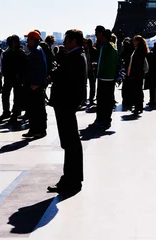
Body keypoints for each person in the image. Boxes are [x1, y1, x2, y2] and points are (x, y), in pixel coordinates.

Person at [48, 29, 87, 195]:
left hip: (65, 102)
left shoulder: (74, 57)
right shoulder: (78, 56)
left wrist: (58, 65)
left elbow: (61, 77)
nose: (63, 42)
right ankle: (72, 178)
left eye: (66, 39)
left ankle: (71, 179)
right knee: (71, 142)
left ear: (73, 41)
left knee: (70, 142)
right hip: (68, 102)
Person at [22, 30, 48, 139]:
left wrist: (37, 83)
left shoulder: (37, 51)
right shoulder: (35, 51)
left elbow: (41, 69)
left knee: (37, 109)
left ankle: (40, 130)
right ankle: (33, 129)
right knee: (32, 109)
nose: (27, 41)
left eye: (28, 39)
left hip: (35, 85)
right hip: (32, 84)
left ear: (33, 39)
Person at [93, 29, 118, 129]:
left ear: (103, 36)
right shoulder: (113, 46)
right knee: (108, 100)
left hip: (103, 77)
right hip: (111, 77)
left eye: (99, 35)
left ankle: (102, 119)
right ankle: (106, 120)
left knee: (101, 100)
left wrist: (97, 70)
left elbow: (102, 63)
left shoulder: (105, 47)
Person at [0, 35, 26, 126]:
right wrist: (4, 73)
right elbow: (3, 66)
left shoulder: (21, 53)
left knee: (17, 97)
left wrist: (20, 76)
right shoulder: (6, 53)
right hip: (8, 77)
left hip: (17, 79)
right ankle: (6, 112)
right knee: (5, 95)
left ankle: (15, 114)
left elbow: (23, 66)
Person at [128, 35, 149, 116]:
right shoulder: (140, 50)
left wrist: (133, 74)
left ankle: (138, 107)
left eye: (134, 40)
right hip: (138, 74)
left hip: (136, 74)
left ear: (138, 41)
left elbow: (137, 64)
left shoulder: (138, 51)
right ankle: (139, 106)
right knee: (138, 91)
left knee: (137, 91)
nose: (133, 42)